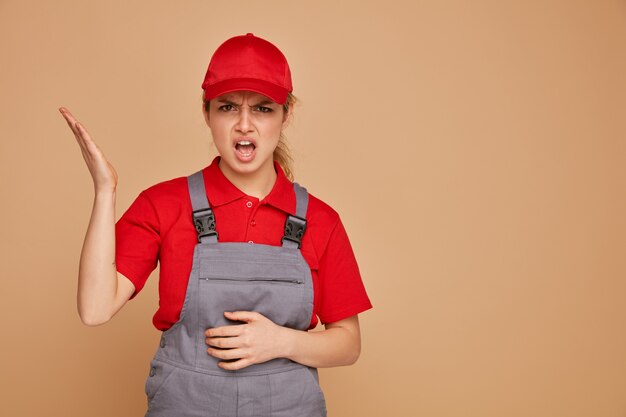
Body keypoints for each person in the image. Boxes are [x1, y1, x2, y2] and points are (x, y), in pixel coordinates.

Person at [59, 33, 372, 417]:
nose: (244, 125)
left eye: (262, 108)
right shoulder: (163, 204)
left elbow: (348, 344)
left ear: (286, 114)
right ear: (206, 113)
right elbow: (94, 309)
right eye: (227, 107)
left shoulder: (321, 221)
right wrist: (105, 191)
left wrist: (279, 342)